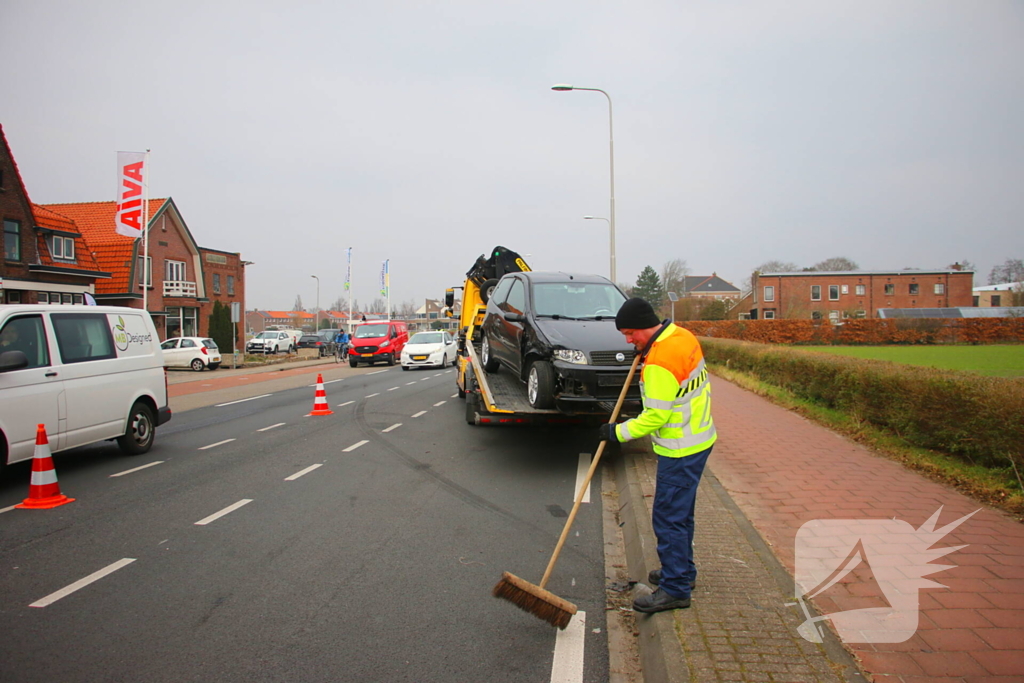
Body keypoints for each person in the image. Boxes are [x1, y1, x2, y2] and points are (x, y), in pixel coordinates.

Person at [598, 297, 717, 613]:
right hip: (700, 438)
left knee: (668, 518)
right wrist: (645, 352)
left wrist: (617, 432)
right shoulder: (681, 336)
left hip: (681, 447)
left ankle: (675, 588)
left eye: (629, 333)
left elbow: (656, 416)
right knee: (682, 514)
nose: (628, 340)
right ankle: (682, 572)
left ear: (643, 327)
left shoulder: (661, 361)